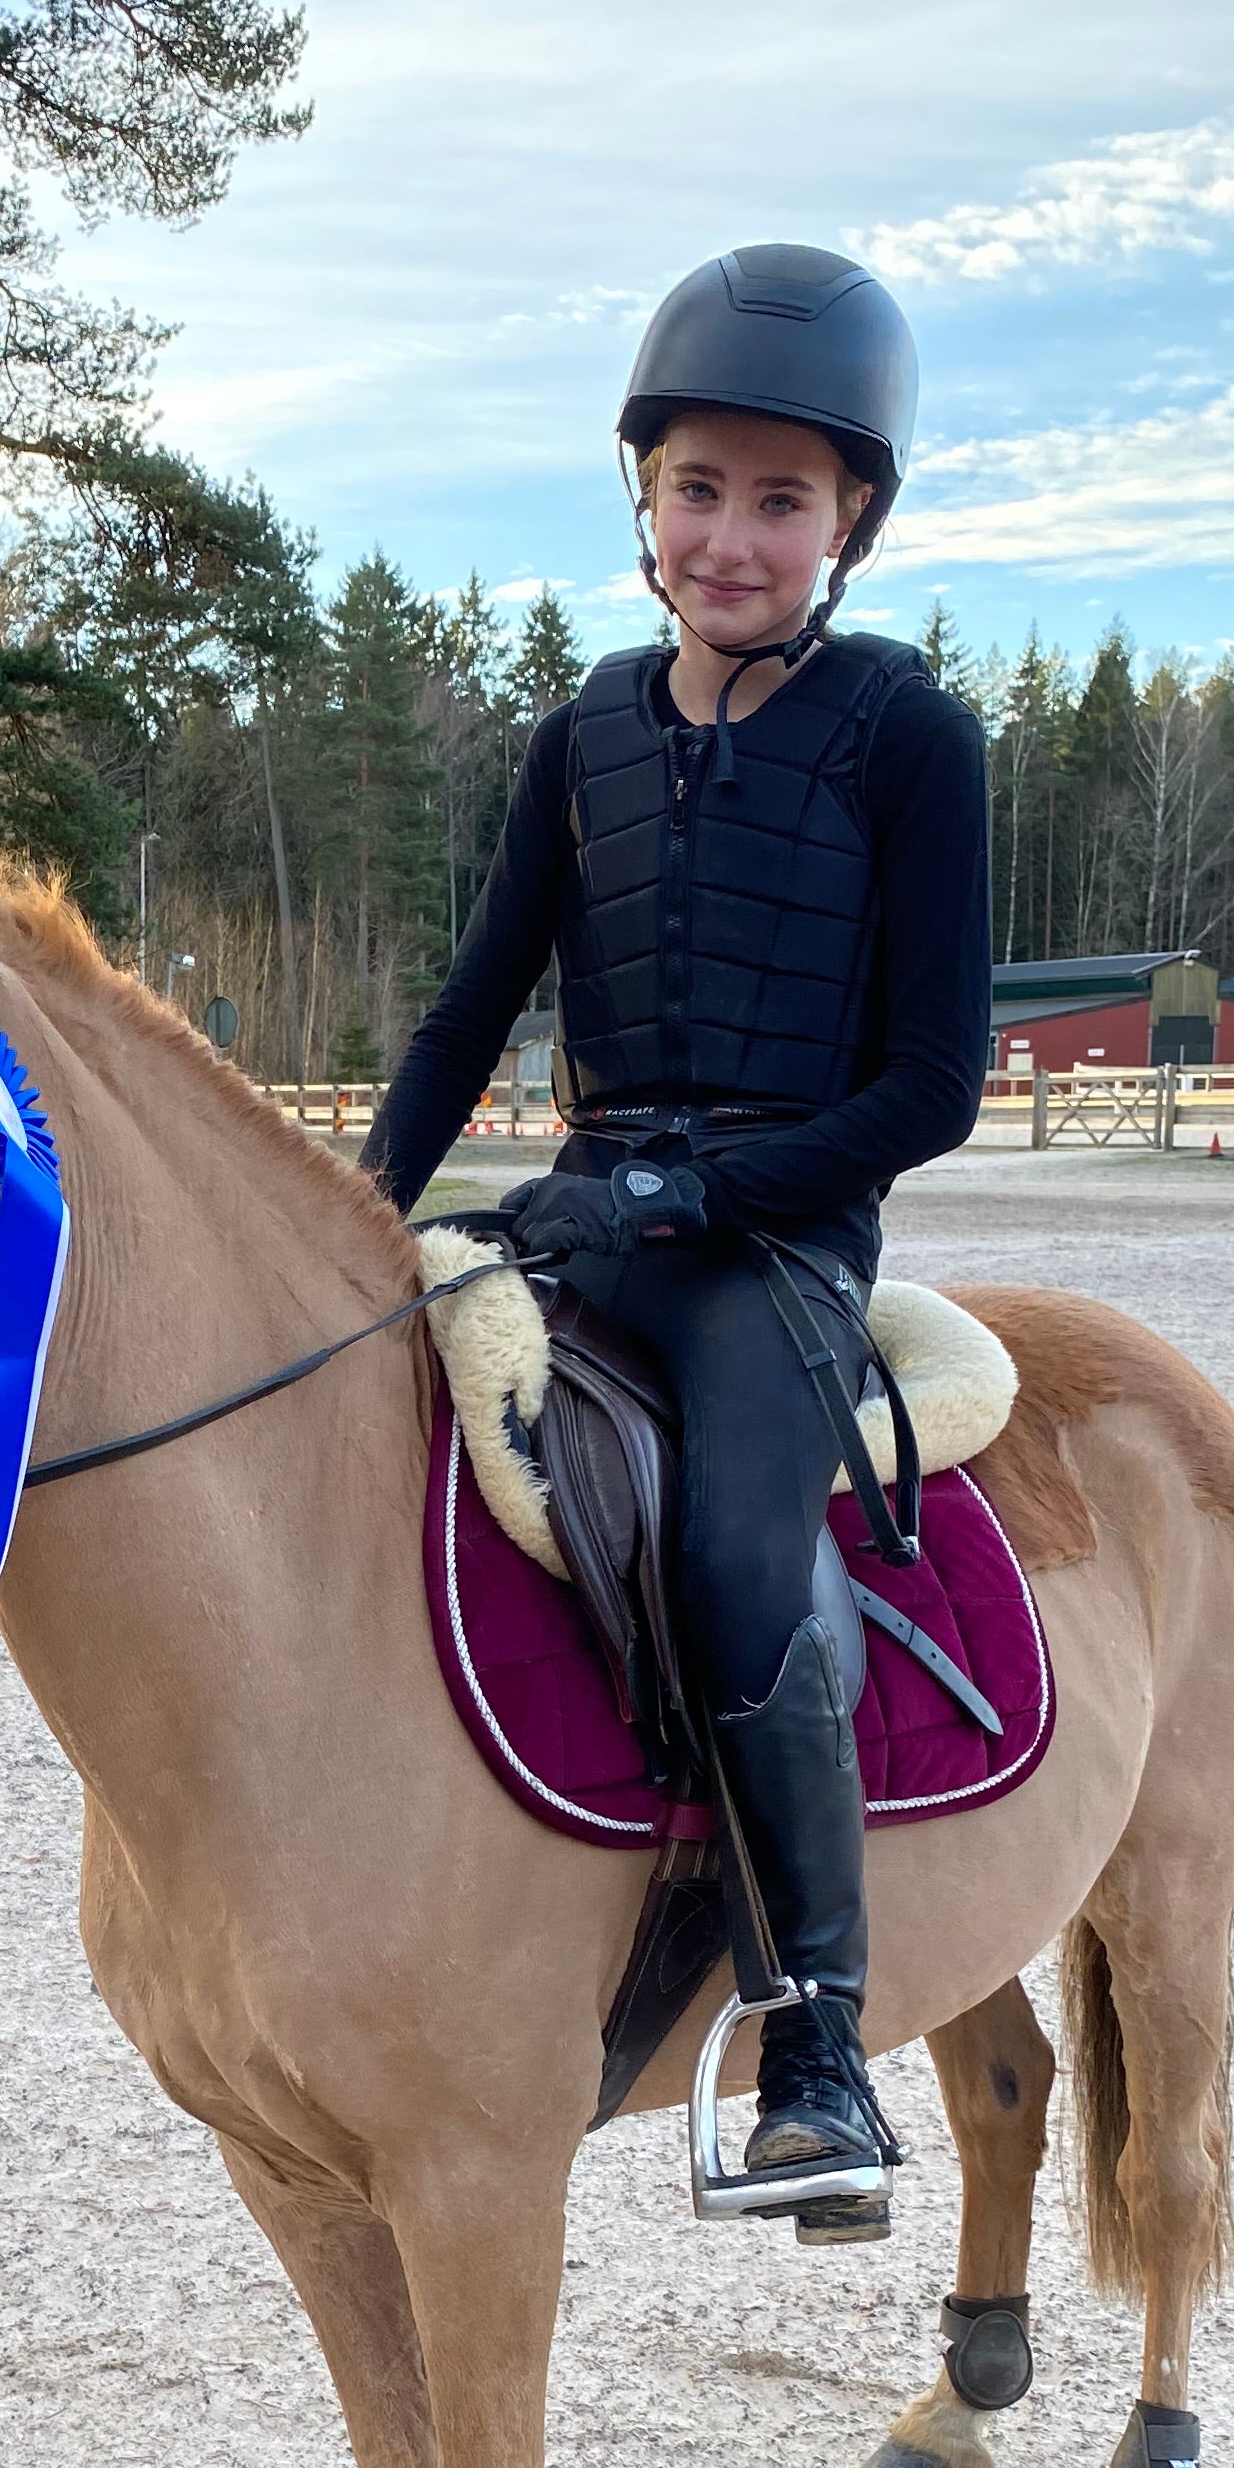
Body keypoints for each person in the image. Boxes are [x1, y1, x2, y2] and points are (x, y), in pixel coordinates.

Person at [361, 242, 990, 2236]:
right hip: (587, 1209)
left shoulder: (906, 739)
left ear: (851, 524)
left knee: (732, 1554)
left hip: (778, 1242)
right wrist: (354, 1213)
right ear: (643, 500)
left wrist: (716, 1192)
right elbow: (474, 1009)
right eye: (701, 486)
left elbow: (933, 1085)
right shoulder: (584, 740)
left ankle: (816, 2040)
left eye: (782, 498)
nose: (734, 533)